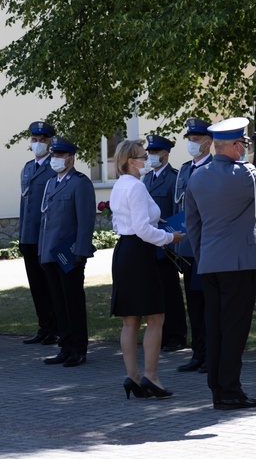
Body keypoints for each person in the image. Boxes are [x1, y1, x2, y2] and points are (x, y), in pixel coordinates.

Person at [185, 119, 256, 410]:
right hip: (239, 263)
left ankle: (218, 390)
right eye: (242, 144)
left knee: (215, 328)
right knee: (234, 330)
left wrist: (204, 254)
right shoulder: (244, 174)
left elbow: (193, 226)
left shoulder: (197, 176)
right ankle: (230, 390)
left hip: (209, 263)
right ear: (233, 146)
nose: (244, 148)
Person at [110, 139, 186, 399]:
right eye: (142, 156)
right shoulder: (137, 187)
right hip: (140, 254)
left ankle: (132, 376)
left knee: (130, 321)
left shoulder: (119, 185)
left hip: (124, 252)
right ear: (131, 160)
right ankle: (151, 376)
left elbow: (126, 220)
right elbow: (142, 230)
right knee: (156, 318)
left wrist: (158, 220)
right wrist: (170, 238)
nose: (146, 160)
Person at [38, 136, 96, 367]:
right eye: (53, 155)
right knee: (58, 302)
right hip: (51, 253)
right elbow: (46, 220)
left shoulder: (80, 183)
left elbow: (86, 219)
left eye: (60, 155)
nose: (56, 159)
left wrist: (81, 251)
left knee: (72, 302)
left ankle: (78, 348)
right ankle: (65, 345)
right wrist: (42, 253)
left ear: (71, 158)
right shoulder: (52, 182)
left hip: (70, 253)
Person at [174, 118, 213, 373]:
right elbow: (179, 208)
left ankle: (211, 354)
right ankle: (198, 353)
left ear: (208, 142)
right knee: (195, 305)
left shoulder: (214, 168)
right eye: (189, 138)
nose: (192, 143)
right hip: (188, 248)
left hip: (207, 247)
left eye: (196, 139)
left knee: (209, 304)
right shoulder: (185, 169)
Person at [143, 134, 188, 353]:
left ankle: (176, 335)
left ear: (166, 154)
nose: (151, 156)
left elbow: (176, 211)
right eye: (149, 152)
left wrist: (173, 242)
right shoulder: (146, 179)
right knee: (154, 293)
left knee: (170, 291)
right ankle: (160, 334)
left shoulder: (174, 178)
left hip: (168, 244)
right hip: (150, 245)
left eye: (156, 152)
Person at [19, 121, 59, 346]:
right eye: (34, 139)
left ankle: (56, 327)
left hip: (46, 237)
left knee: (50, 284)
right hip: (29, 236)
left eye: (42, 139)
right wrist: (22, 235)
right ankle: (43, 326)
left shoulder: (54, 167)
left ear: (50, 141)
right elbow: (24, 204)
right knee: (35, 284)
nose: (37, 143)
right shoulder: (27, 168)